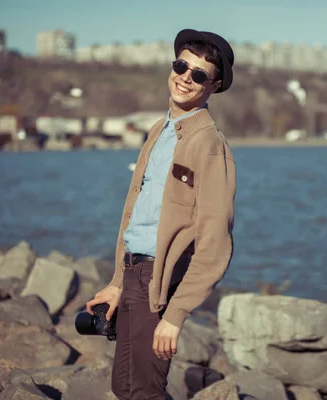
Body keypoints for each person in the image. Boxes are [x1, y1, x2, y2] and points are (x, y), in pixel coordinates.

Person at [86, 29, 236, 400]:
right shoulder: (159, 130)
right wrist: (118, 282)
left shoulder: (208, 144)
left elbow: (215, 243)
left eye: (199, 74)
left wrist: (175, 314)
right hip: (134, 274)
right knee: (124, 386)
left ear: (213, 86)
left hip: (160, 282)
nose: (186, 77)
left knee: (145, 391)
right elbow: (136, 215)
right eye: (181, 66)